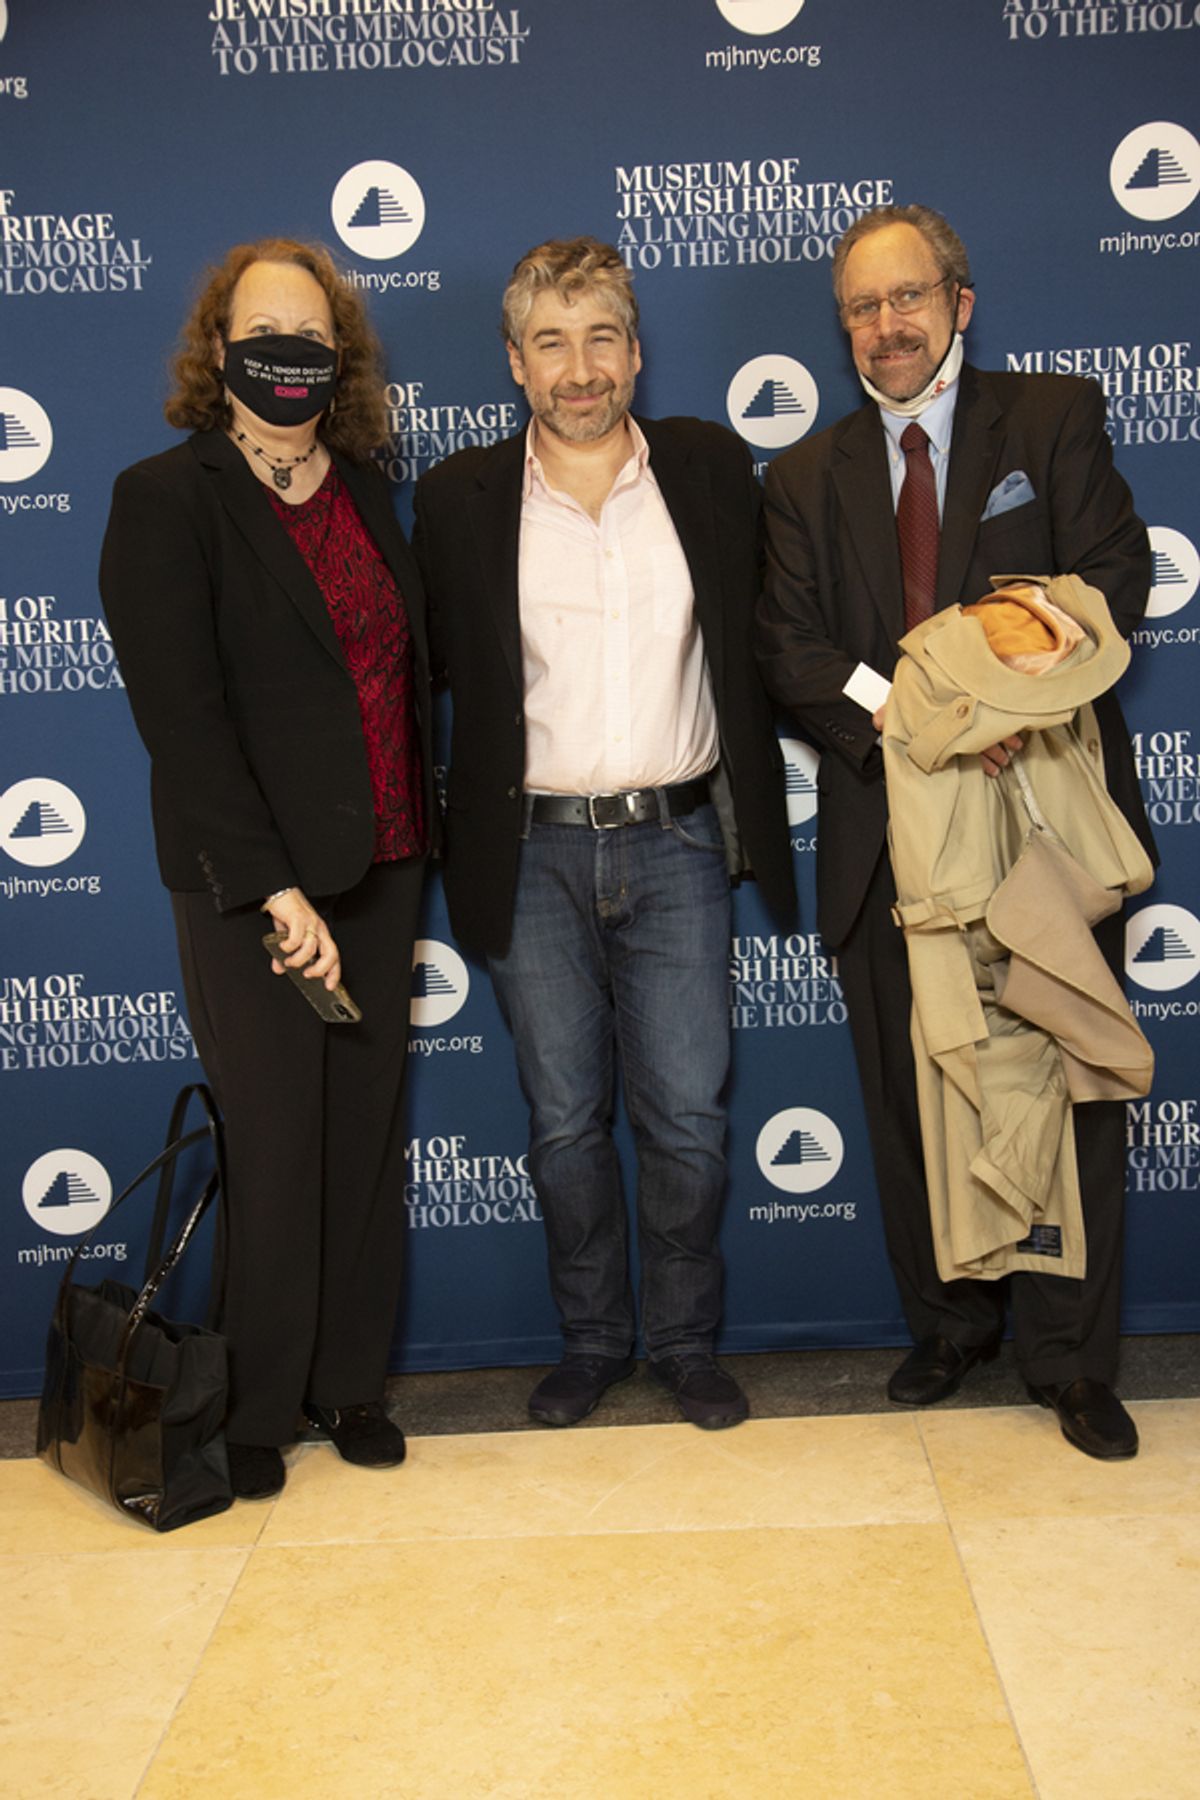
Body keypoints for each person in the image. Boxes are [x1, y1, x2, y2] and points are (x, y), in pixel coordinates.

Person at [756, 204, 1155, 1460]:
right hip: (892, 827)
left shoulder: (1048, 419)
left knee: (1063, 1087)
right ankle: (950, 1326)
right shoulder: (804, 479)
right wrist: (929, 716)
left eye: (908, 298)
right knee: (909, 1084)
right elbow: (795, 652)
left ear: (959, 303)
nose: (889, 326)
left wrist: (996, 697)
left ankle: (1070, 1358)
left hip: (1042, 825)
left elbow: (1107, 581)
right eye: (863, 309)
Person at [413, 237, 794, 1431]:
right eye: (552, 343)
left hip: (680, 845)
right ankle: (592, 1341)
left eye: (601, 339)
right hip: (529, 857)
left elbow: (768, 640)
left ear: (635, 349)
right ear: (516, 363)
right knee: (564, 1118)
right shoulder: (460, 498)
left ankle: (683, 1343)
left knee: (687, 1114)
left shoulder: (708, 466)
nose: (581, 370)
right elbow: (413, 673)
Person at [100, 238, 434, 1499]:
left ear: (335, 355)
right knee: (280, 1139)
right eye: (262, 334)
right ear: (220, 348)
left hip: (386, 861)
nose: (287, 355)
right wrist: (276, 889)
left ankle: (349, 1386)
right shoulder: (166, 495)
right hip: (255, 889)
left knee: (362, 1141)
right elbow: (181, 720)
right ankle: (257, 1408)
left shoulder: (361, 487)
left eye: (310, 335)